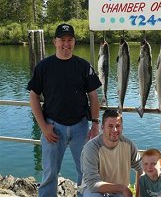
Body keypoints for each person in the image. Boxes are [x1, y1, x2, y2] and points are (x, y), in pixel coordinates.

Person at [27, 23, 101, 197]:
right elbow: (33, 97)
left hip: (81, 128)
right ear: (55, 42)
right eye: (62, 40)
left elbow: (94, 96)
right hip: (52, 127)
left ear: (74, 41)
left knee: (86, 171)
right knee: (50, 173)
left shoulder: (83, 66)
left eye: (70, 40)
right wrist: (43, 127)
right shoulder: (43, 67)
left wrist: (96, 124)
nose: (66, 44)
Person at [80, 109, 143, 197]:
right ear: (102, 128)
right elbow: (92, 184)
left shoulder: (129, 145)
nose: (114, 130)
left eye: (118, 125)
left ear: (122, 127)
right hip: (96, 191)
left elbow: (141, 169)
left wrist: (137, 195)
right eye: (110, 126)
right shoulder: (91, 148)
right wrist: (123, 188)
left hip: (119, 193)